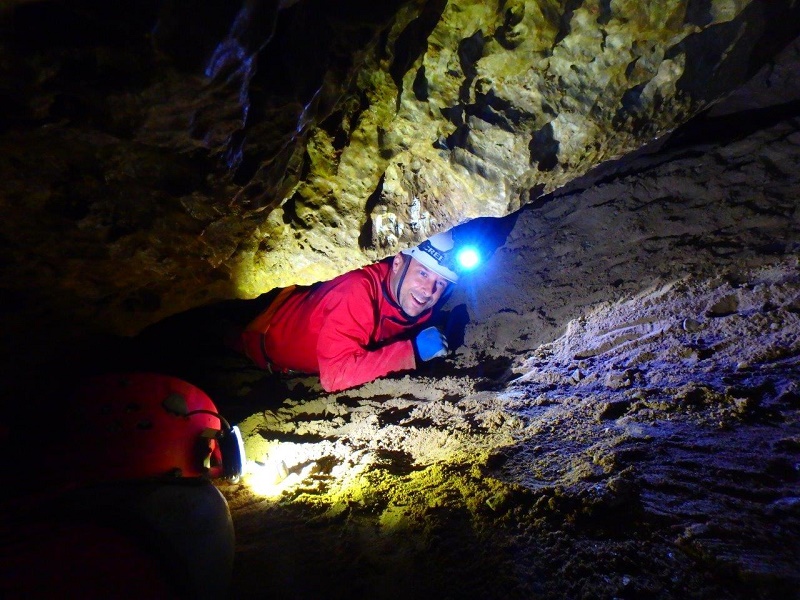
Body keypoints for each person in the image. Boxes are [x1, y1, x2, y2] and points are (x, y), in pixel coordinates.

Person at [237, 231, 460, 392]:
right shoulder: (357, 289)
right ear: (398, 263)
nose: (428, 290)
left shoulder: (417, 302)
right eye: (423, 274)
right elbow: (335, 376)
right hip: (262, 326)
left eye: (440, 284)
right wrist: (412, 351)